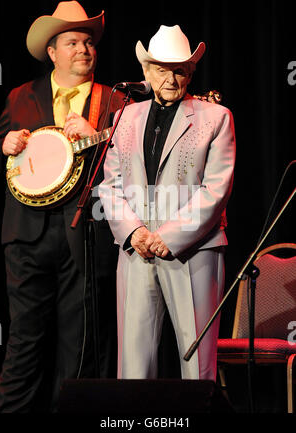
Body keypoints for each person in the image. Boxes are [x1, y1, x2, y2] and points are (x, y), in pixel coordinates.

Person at [0, 1, 126, 412]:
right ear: (52, 51)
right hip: (27, 234)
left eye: (88, 42)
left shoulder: (114, 102)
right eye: (73, 41)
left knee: (83, 340)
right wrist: (4, 145)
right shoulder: (21, 96)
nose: (83, 49)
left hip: (86, 233)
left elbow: (134, 166)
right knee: (24, 339)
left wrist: (100, 136)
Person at [99, 25, 236, 380]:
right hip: (137, 250)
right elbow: (110, 184)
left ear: (190, 72)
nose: (171, 78)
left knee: (196, 361)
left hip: (193, 251)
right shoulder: (124, 117)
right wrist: (134, 233)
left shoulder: (216, 118)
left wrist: (170, 236)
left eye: (179, 69)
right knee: (133, 363)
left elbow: (215, 189)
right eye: (162, 69)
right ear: (146, 71)